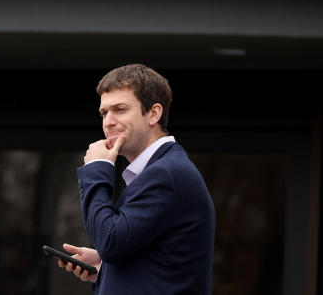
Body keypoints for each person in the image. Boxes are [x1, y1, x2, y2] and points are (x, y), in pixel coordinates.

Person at [58, 64, 215, 294]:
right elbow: (155, 263)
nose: (108, 121)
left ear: (153, 113)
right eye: (104, 113)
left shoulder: (166, 174)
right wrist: (106, 269)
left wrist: (96, 168)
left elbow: (111, 242)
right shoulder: (163, 170)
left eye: (120, 109)